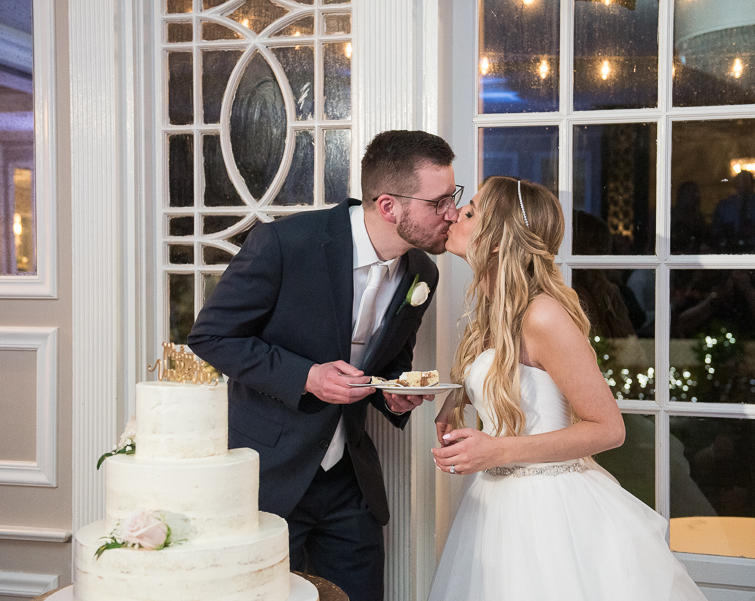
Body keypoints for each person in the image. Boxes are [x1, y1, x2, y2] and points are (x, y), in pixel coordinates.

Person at [188, 129, 460, 601]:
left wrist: (395, 396)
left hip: (350, 485)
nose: (452, 213)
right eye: (438, 202)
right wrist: (307, 377)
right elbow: (211, 336)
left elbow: (391, 363)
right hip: (268, 478)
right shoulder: (284, 244)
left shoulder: (422, 273)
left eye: (452, 198)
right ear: (389, 206)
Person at [428, 176, 707, 600]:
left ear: (499, 240)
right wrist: (455, 401)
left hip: (550, 511)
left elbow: (608, 428)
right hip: (495, 505)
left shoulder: (543, 316)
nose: (454, 215)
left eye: (469, 213)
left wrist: (496, 449)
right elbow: (512, 378)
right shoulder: (495, 310)